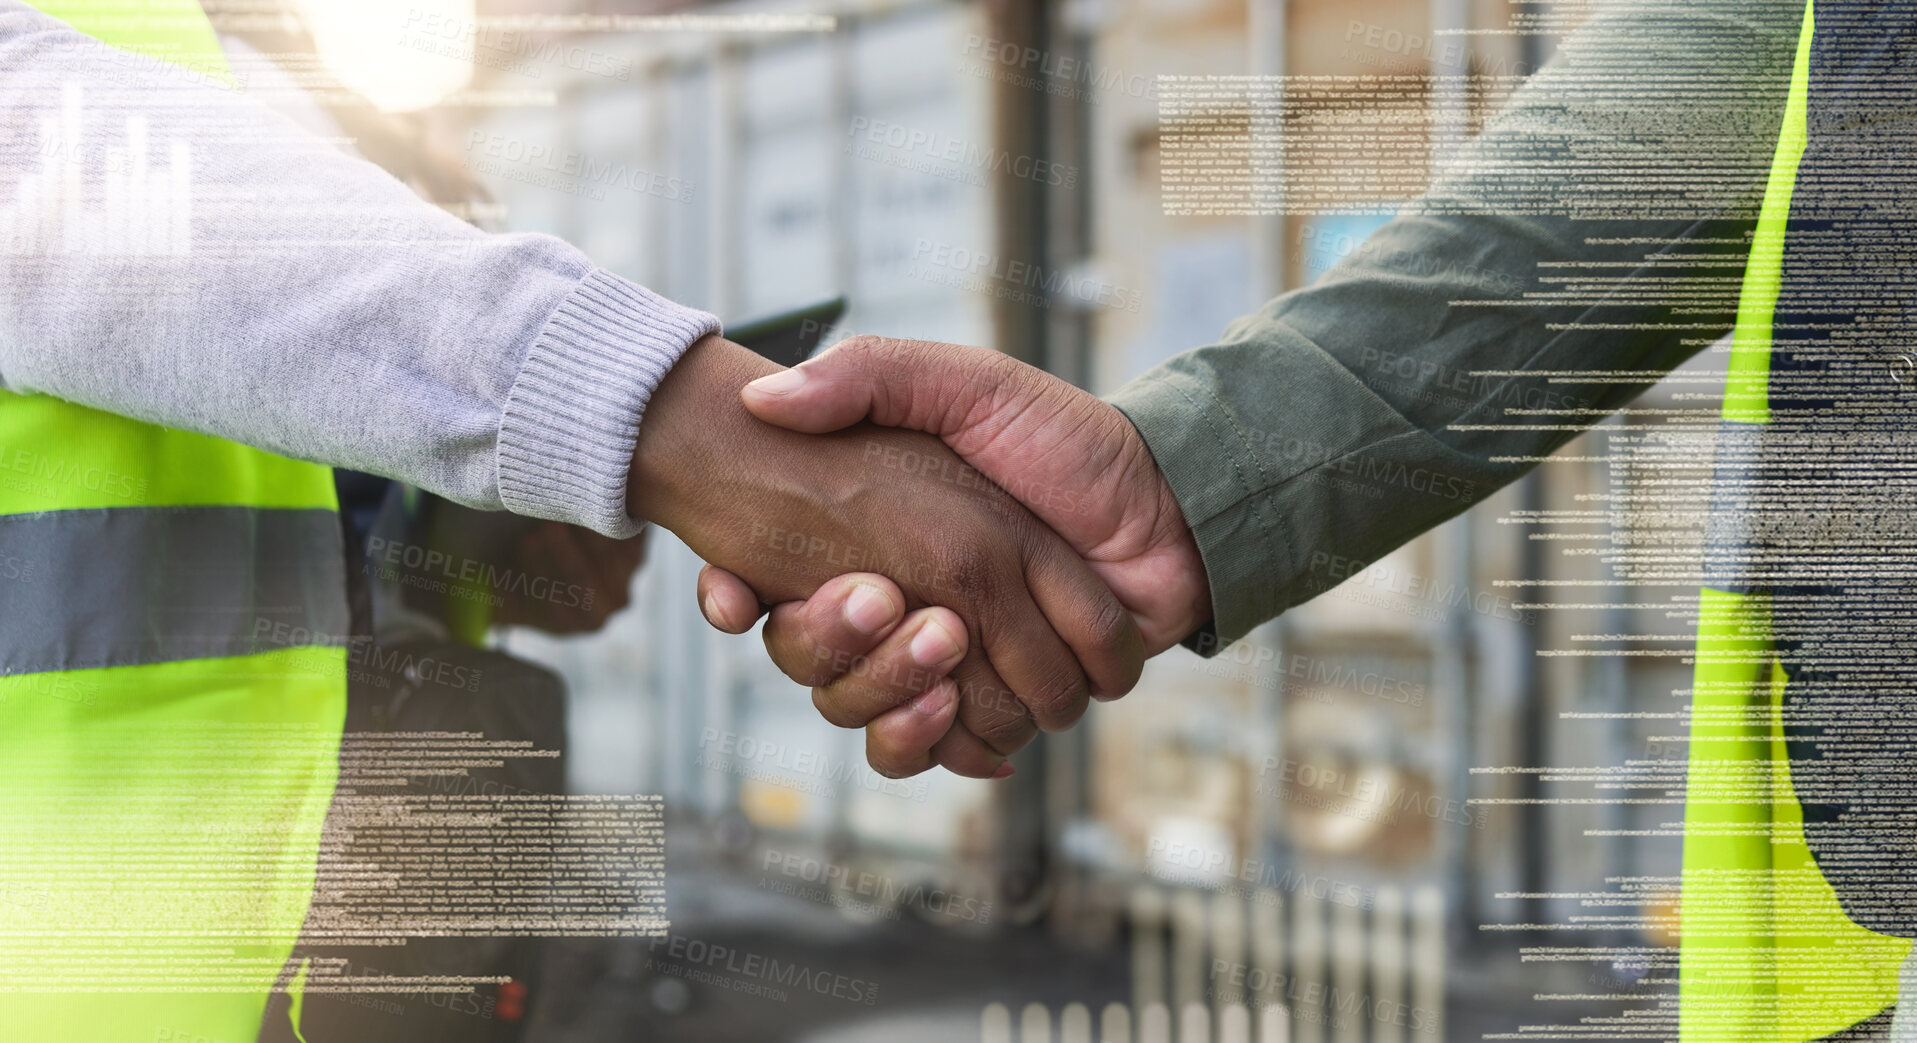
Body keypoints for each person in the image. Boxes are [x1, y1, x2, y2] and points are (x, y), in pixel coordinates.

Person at [0, 2, 1141, 1040]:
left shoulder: (290, 73)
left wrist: (495, 537)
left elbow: (300, 476)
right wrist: (682, 433)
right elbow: (72, 178)